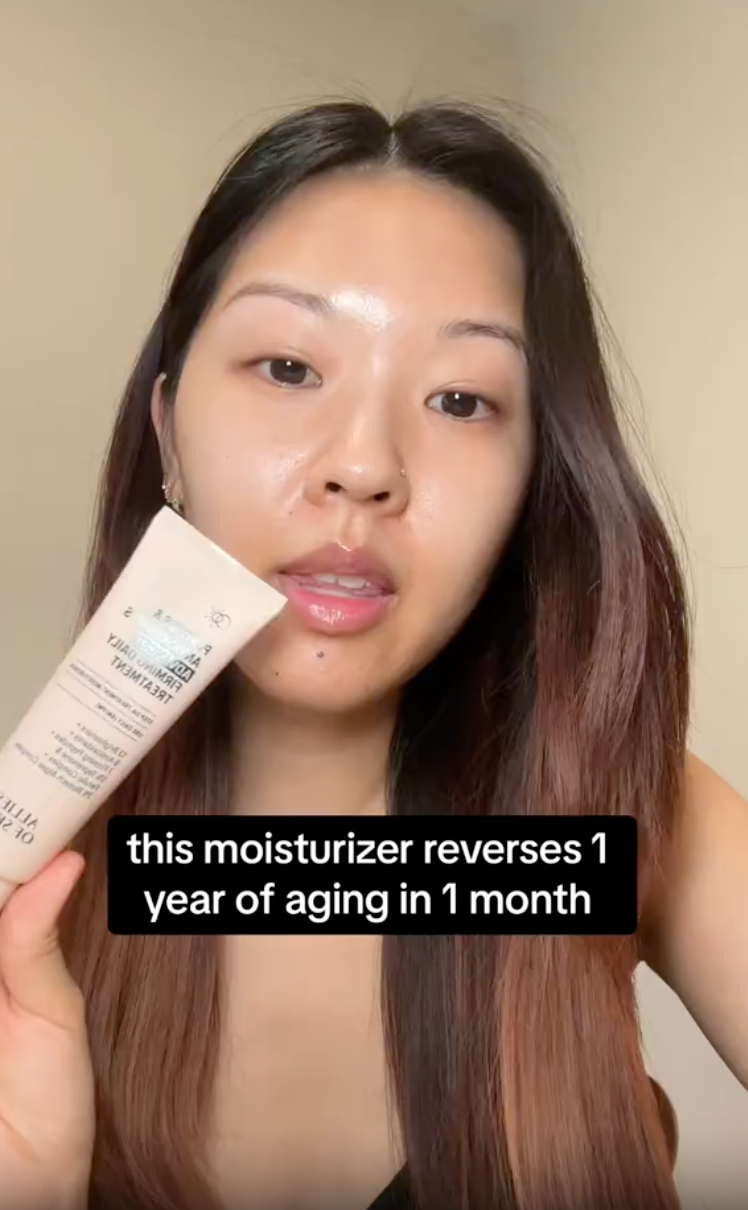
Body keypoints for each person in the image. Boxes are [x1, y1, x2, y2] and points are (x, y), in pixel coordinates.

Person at [0, 99, 745, 1210]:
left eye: (461, 398)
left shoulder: (627, 810)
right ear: (167, 433)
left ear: (532, 485)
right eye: (287, 367)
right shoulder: (35, 886)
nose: (363, 465)